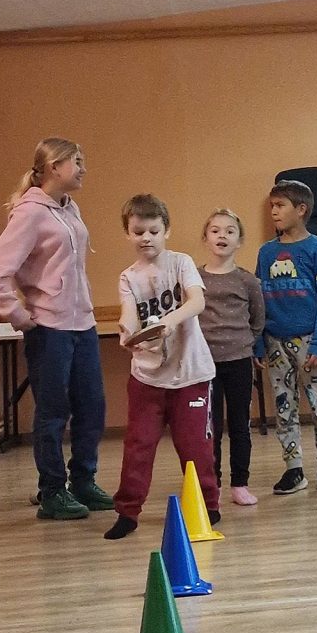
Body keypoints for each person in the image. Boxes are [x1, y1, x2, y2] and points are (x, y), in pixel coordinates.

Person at [0, 136, 112, 521]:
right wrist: (18, 316)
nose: (84, 168)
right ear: (55, 167)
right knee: (53, 411)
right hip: (49, 328)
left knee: (92, 405)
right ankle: (52, 490)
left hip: (82, 324)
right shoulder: (30, 213)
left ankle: (83, 481)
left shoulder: (69, 208)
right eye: (78, 161)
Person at [106, 194, 219, 540]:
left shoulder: (182, 263)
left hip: (190, 374)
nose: (146, 238)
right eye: (138, 231)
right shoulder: (128, 277)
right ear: (127, 233)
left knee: (195, 447)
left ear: (166, 230)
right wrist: (128, 332)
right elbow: (128, 315)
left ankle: (207, 506)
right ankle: (128, 512)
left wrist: (169, 321)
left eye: (153, 231)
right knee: (138, 446)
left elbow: (197, 301)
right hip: (146, 378)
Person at [255, 178, 317, 494]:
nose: (274, 212)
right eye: (272, 206)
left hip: (310, 342)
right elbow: (258, 300)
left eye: (280, 205)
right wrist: (258, 342)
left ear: (301, 209)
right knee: (285, 408)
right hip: (275, 342)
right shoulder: (266, 252)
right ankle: (293, 468)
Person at [197, 208, 266, 508]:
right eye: (215, 230)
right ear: (205, 238)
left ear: (239, 241)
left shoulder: (247, 281)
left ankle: (240, 483)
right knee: (209, 427)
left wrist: (245, 344)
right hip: (204, 364)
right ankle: (212, 485)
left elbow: (258, 320)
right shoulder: (194, 278)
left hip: (238, 362)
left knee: (240, 425)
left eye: (229, 231)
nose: (222, 236)